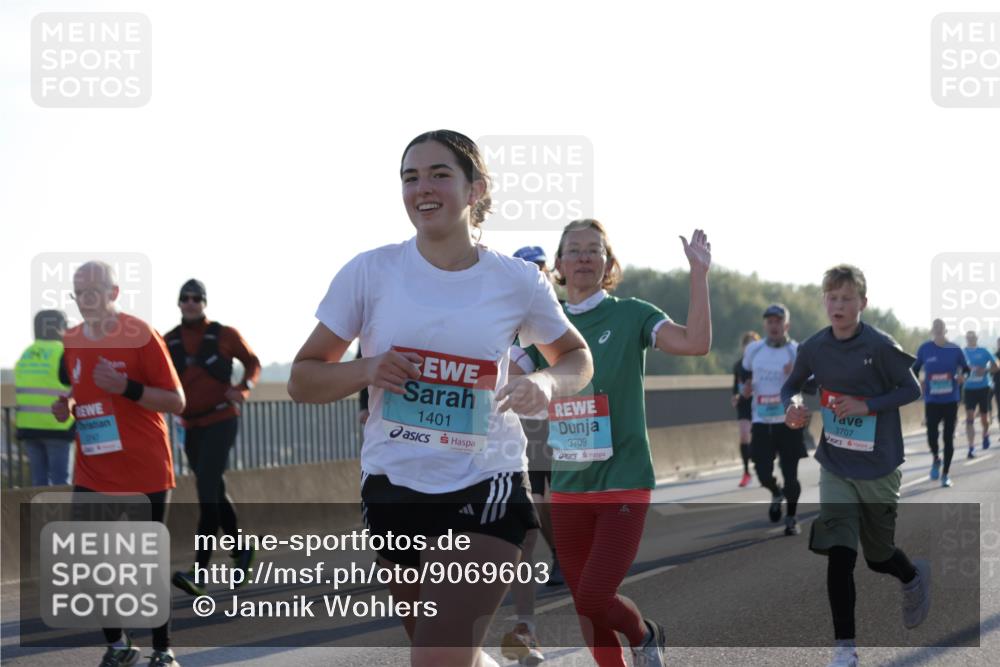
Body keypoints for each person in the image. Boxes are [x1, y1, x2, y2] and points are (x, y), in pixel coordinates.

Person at [287, 130, 593, 667]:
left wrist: (543, 384)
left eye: (438, 174)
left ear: (474, 189)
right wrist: (369, 369)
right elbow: (304, 379)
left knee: (437, 656)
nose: (421, 188)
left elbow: (576, 357)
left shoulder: (516, 280)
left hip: (486, 479)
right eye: (410, 177)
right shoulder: (371, 271)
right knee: (450, 651)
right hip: (393, 485)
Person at [523, 219, 711, 667]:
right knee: (586, 607)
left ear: (608, 263)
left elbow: (696, 343)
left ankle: (645, 635)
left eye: (594, 249)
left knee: (593, 594)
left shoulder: (632, 315)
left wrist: (699, 276)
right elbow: (500, 375)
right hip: (568, 483)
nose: (585, 256)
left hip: (624, 477)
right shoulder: (542, 327)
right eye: (574, 249)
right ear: (560, 265)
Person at [782, 264, 929, 667]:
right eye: (832, 298)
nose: (839, 305)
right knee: (840, 553)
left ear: (863, 303)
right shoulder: (813, 347)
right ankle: (845, 649)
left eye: (847, 298)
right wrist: (793, 408)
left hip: (879, 465)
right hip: (836, 464)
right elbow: (791, 386)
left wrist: (867, 405)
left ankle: (912, 576)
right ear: (824, 301)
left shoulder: (880, 345)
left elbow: (911, 388)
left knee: (878, 557)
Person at [52, 261, 186, 667]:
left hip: (143, 466)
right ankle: (119, 645)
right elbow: (86, 392)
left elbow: (176, 401)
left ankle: (162, 650)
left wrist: (126, 386)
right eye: (79, 292)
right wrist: (69, 406)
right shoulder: (72, 339)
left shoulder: (141, 335)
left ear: (113, 293)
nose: (86, 298)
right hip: (93, 468)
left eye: (94, 290)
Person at [164, 279, 261, 596]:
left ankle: (199, 571)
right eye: (185, 298)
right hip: (190, 426)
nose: (190, 303)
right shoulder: (169, 341)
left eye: (196, 298)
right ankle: (242, 550)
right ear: (179, 303)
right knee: (214, 489)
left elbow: (252, 363)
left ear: (204, 303)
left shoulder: (224, 334)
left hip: (222, 419)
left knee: (207, 489)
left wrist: (244, 387)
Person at [500, 245, 563, 667]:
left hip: (557, 429)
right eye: (529, 270)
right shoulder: (500, 318)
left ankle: (565, 556)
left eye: (541, 269)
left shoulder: (559, 320)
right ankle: (526, 627)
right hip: (513, 436)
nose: (535, 277)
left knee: (547, 516)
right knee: (527, 528)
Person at [741, 305, 808, 535]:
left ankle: (791, 517)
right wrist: (745, 388)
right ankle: (775, 492)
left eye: (778, 321)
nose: (774, 325)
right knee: (761, 471)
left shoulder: (796, 351)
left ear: (786, 325)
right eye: (770, 322)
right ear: (765, 325)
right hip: (761, 421)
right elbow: (745, 374)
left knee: (791, 475)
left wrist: (795, 374)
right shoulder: (754, 350)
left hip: (789, 421)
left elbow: (810, 384)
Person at [15, 309, 75, 486]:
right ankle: (60, 515)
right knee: (60, 484)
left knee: (38, 484)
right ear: (61, 328)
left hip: (28, 427)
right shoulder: (63, 352)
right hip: (57, 426)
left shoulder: (26, 354)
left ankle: (39, 514)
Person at [912, 319, 969, 487]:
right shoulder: (924, 349)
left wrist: (962, 378)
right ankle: (936, 458)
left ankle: (945, 474)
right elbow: (914, 370)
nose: (937, 330)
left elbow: (966, 369)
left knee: (948, 437)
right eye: (935, 327)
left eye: (940, 327)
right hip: (932, 400)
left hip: (951, 400)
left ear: (945, 330)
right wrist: (919, 382)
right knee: (931, 436)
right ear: (932, 330)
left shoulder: (955, 349)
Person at [961, 331, 997, 456]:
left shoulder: (984, 351)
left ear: (977, 338)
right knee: (969, 417)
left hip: (983, 388)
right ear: (966, 339)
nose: (971, 339)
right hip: (969, 389)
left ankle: (985, 434)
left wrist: (986, 370)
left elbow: (997, 365)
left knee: (984, 418)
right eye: (968, 337)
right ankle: (971, 447)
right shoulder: (962, 353)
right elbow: (955, 367)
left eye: (973, 337)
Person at [731, 331, 759, 488]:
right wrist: (735, 396)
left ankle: (759, 461)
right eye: (747, 345)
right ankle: (746, 472)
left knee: (758, 439)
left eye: (753, 345)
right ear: (743, 348)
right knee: (743, 436)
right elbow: (735, 386)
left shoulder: (761, 363)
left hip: (760, 405)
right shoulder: (737, 366)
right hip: (743, 404)